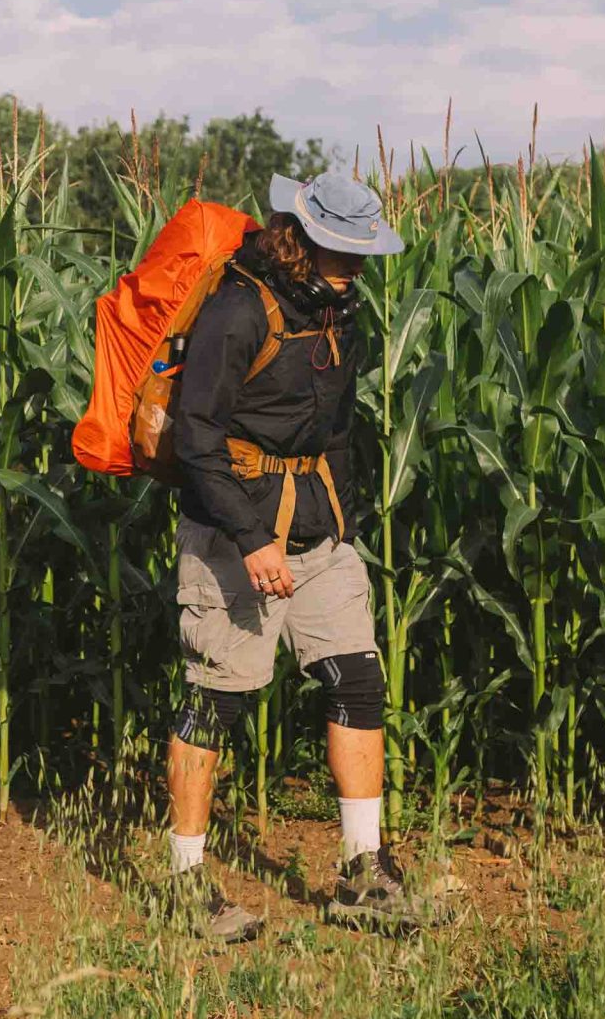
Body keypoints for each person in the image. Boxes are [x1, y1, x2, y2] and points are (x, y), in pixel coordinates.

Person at [162, 170, 430, 941]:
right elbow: (197, 437)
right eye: (343, 253)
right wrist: (251, 540)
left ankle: (364, 873)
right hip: (232, 529)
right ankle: (184, 882)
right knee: (215, 700)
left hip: (319, 529)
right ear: (303, 241)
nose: (356, 268)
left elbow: (336, 429)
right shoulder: (239, 310)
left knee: (358, 683)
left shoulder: (340, 314)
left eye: (362, 254)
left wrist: (342, 521)